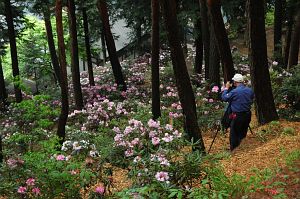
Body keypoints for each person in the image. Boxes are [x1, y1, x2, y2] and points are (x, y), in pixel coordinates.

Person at [221, 74, 254, 151]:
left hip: (237, 116)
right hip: (247, 115)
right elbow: (251, 98)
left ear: (235, 82)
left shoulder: (234, 92)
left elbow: (224, 98)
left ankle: (234, 151)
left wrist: (226, 88)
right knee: (243, 133)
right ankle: (242, 149)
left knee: (234, 134)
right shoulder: (250, 90)